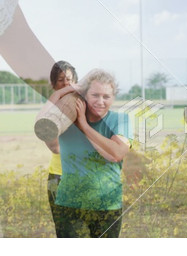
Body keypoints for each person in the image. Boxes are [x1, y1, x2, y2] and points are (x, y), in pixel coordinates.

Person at [54, 69, 132, 238]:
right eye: (95, 95)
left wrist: (84, 126)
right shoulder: (67, 121)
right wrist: (63, 92)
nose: (100, 101)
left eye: (106, 96)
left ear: (113, 98)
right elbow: (48, 138)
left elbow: (116, 153)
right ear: (85, 96)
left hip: (107, 205)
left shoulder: (121, 120)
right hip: (69, 205)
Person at [35, 60, 78, 237]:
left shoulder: (86, 105)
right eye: (61, 80)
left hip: (86, 177)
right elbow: (55, 148)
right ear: (53, 85)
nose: (66, 83)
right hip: (59, 177)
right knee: (66, 233)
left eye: (69, 79)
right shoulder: (50, 113)